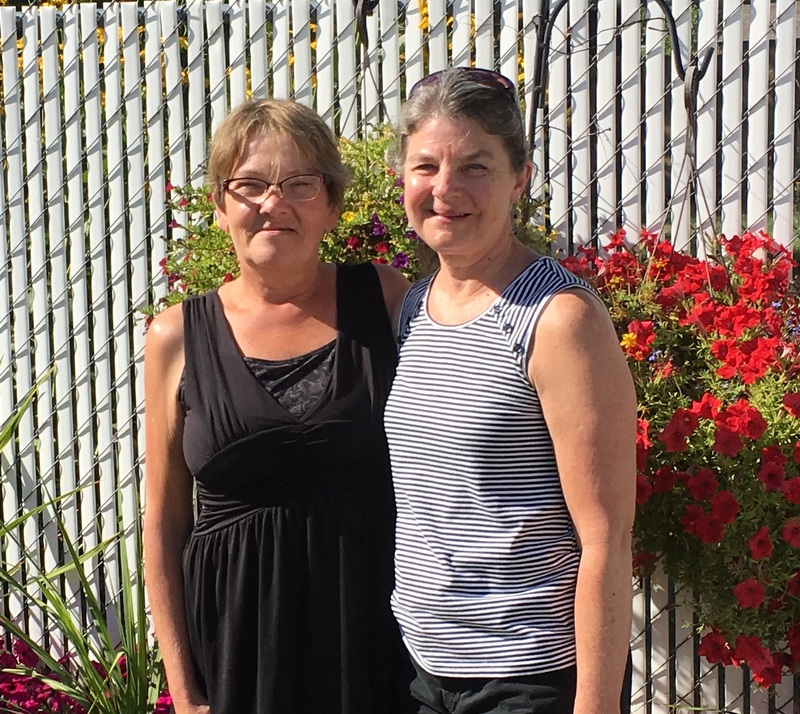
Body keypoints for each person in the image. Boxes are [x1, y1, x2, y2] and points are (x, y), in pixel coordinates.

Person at [143, 98, 412, 714]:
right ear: (220, 207)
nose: (274, 203)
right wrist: (184, 689)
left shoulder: (385, 300)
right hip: (238, 644)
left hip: (374, 638)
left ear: (332, 205)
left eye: (299, 183)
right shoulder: (175, 337)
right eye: (250, 185)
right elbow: (163, 523)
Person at [383, 67, 637, 714]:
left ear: (519, 177)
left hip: (528, 678)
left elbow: (606, 539)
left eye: (475, 166)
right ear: (400, 176)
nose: (445, 189)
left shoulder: (558, 319)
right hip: (421, 670)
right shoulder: (414, 307)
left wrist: (596, 705)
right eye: (425, 166)